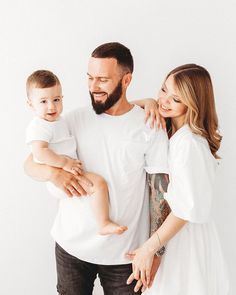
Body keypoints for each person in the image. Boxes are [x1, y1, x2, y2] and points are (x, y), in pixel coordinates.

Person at [24, 42, 169, 295]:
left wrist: (155, 250)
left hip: (125, 255)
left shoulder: (149, 124)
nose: (93, 87)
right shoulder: (72, 119)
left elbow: (161, 190)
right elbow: (30, 163)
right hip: (72, 248)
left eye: (102, 79)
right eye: (90, 78)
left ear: (126, 80)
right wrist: (55, 173)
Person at [126, 64, 229, 294]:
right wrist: (149, 102)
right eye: (163, 90)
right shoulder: (171, 132)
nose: (164, 101)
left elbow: (184, 210)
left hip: (182, 240)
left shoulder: (189, 144)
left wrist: (148, 249)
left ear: (192, 103)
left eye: (175, 99)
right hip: (169, 236)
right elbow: (125, 111)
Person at [25, 69, 128, 236]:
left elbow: (118, 109)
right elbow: (39, 153)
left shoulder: (61, 120)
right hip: (61, 177)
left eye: (56, 99)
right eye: (43, 101)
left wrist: (146, 102)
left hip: (67, 173)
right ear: (30, 105)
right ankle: (103, 222)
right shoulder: (38, 126)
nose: (51, 106)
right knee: (99, 184)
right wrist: (63, 164)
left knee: (96, 186)